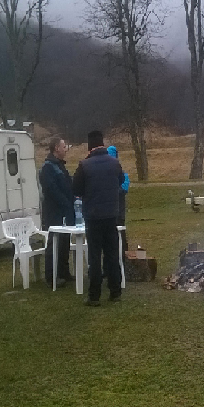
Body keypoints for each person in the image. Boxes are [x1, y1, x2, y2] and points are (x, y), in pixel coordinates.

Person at [73, 131, 124, 306]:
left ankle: (94, 296)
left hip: (93, 217)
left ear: (90, 147)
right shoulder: (114, 163)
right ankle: (115, 291)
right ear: (103, 144)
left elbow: (76, 189)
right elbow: (120, 181)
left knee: (94, 256)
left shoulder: (84, 165)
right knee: (112, 254)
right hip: (111, 215)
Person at [39, 136, 75, 287]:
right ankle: (51, 276)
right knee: (54, 242)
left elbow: (68, 185)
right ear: (56, 148)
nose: (66, 149)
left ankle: (64, 272)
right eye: (64, 146)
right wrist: (65, 202)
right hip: (53, 212)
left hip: (65, 211)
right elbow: (51, 190)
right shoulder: (48, 167)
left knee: (65, 241)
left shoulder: (60, 166)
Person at [106, 145, 130, 251]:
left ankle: (123, 254)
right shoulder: (122, 174)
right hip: (113, 213)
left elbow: (123, 190)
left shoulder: (122, 174)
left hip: (117, 212)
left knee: (119, 236)